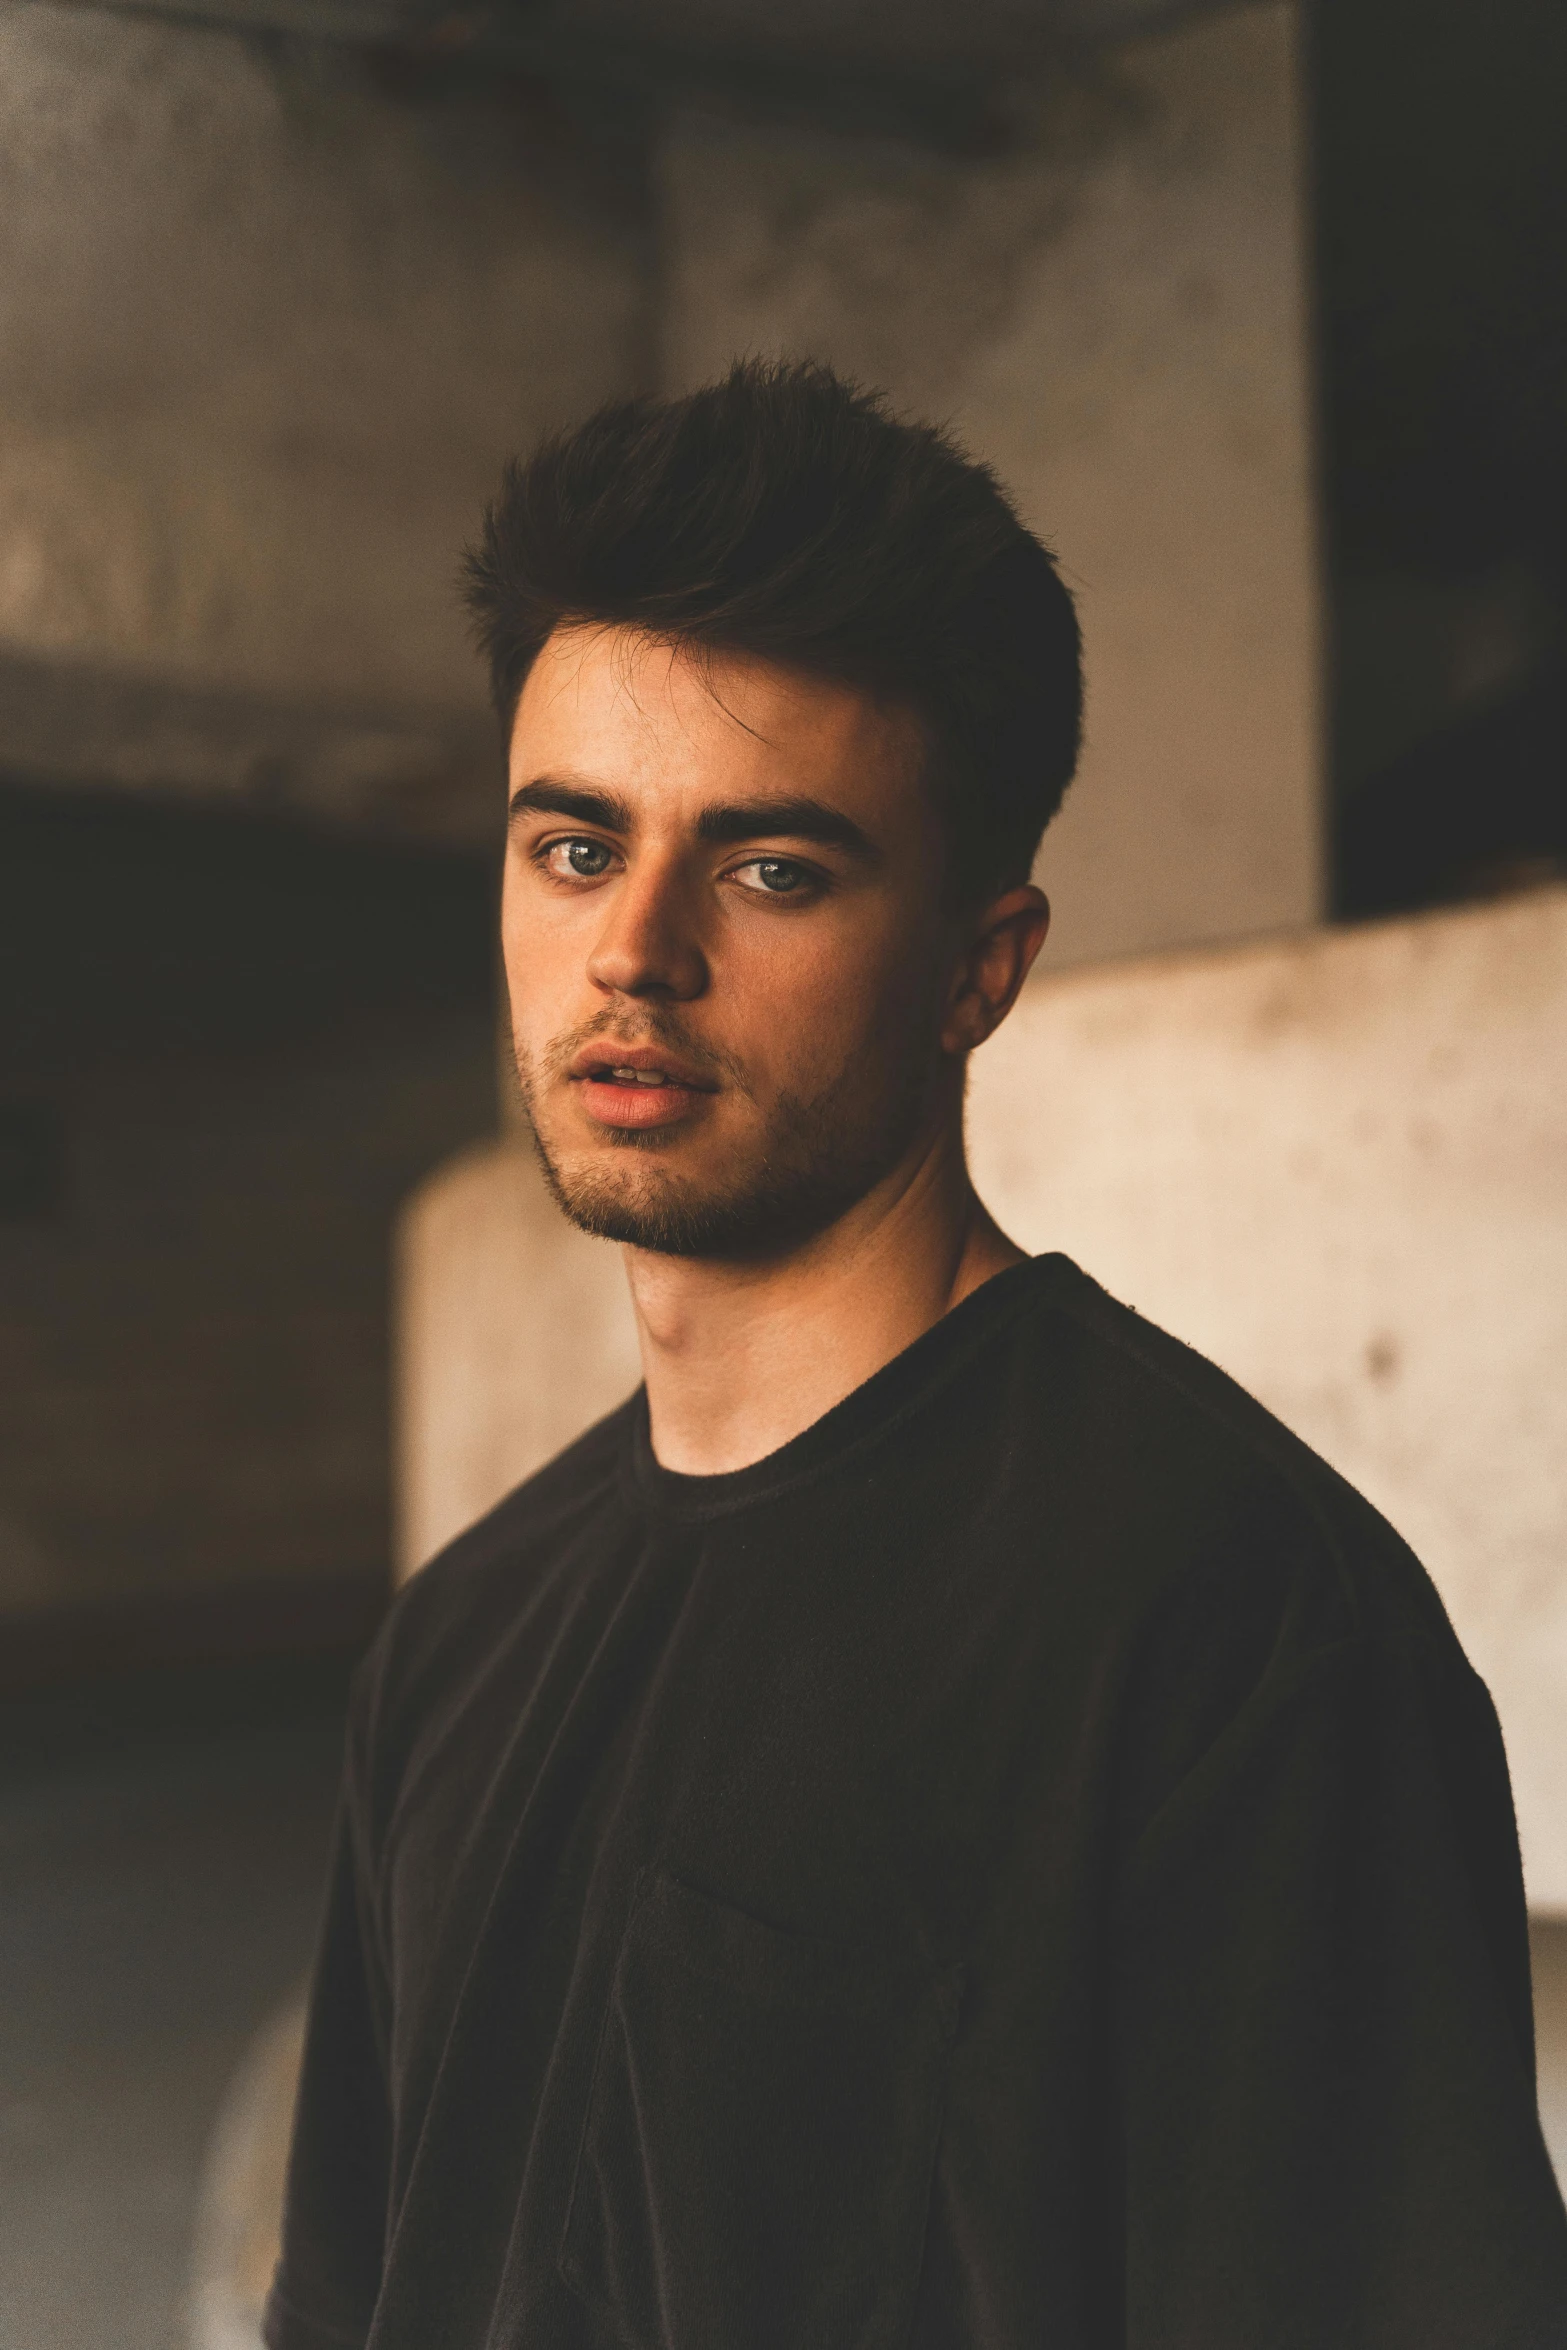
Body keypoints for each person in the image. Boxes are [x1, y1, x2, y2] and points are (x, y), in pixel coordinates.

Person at [264, 360, 1567, 2350]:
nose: (635, 949)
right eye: (573, 846)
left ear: (982, 962)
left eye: (772, 866)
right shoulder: (458, 1641)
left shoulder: (1239, 1632)